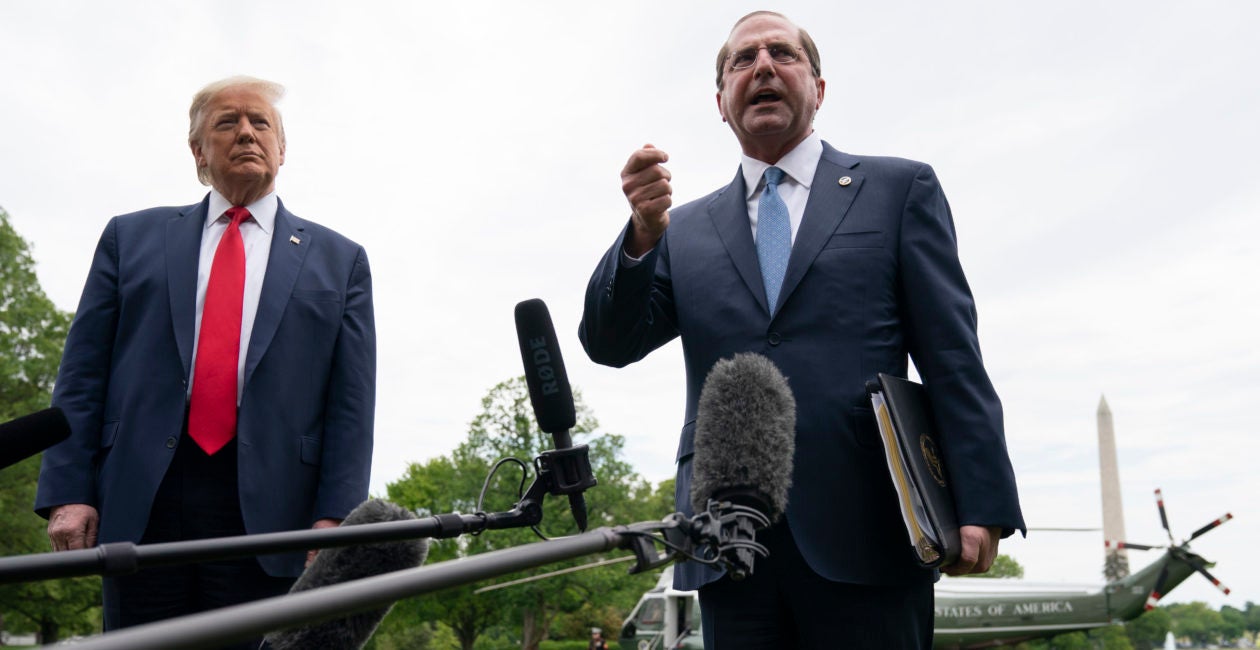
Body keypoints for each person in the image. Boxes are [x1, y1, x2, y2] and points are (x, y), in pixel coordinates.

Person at [579, 11, 1024, 649]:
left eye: (782, 53)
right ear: (721, 103)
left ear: (818, 87)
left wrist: (981, 502)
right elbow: (609, 344)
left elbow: (953, 356)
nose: (762, 66)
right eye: (742, 60)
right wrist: (642, 234)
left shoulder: (898, 190)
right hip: (727, 538)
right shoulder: (685, 230)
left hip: (870, 527)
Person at [35, 76, 375, 646]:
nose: (246, 132)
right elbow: (82, 374)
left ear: (282, 147)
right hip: (141, 502)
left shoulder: (341, 260)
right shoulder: (129, 238)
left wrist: (337, 516)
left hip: (276, 513)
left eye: (260, 122)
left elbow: (352, 402)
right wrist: (68, 490)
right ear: (197, 150)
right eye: (226, 122)